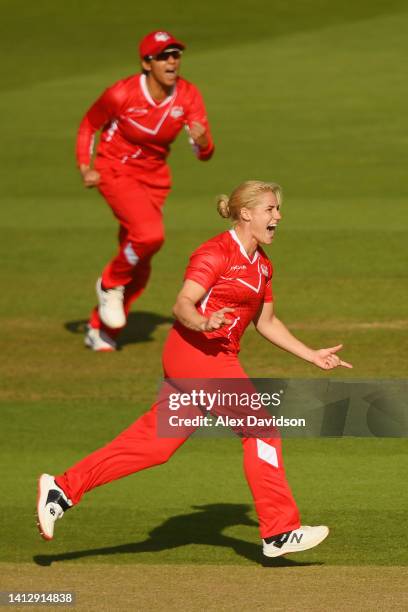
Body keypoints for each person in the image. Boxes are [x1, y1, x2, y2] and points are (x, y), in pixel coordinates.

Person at [37, 180, 352, 558]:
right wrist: (202, 323)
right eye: (270, 209)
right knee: (262, 430)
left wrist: (311, 355)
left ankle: (62, 488)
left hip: (215, 360)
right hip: (195, 355)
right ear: (246, 213)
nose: (278, 217)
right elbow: (183, 304)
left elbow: (267, 322)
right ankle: (279, 531)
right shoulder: (214, 253)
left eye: (277, 209)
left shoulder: (263, 266)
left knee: (155, 446)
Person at [76, 30, 214, 351]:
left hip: (155, 179)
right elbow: (88, 125)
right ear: (146, 62)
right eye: (163, 56)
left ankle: (101, 329)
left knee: (141, 259)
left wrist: (203, 140)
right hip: (115, 170)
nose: (171, 61)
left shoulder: (188, 95)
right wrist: (86, 166)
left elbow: (204, 153)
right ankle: (109, 283)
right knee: (149, 235)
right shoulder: (121, 94)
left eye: (175, 55)